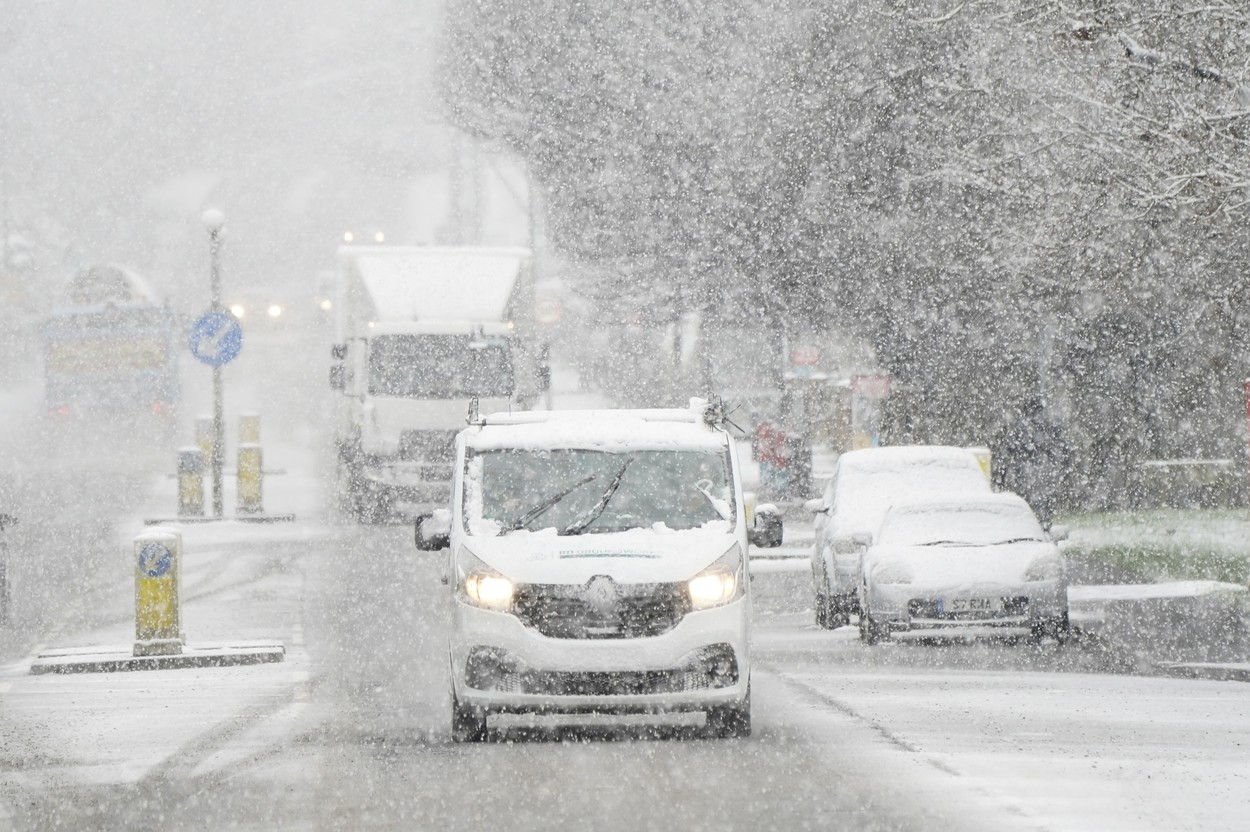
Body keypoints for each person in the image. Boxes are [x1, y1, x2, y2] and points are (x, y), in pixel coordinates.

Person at [994, 397, 1071, 529]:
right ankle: (1044, 528)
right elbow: (1064, 449)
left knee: (1027, 505)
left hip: (1025, 472)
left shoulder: (1019, 428)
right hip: (1046, 470)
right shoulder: (1049, 426)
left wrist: (1001, 477)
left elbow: (1006, 453)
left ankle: (1028, 528)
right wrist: (1063, 468)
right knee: (1045, 504)